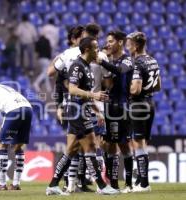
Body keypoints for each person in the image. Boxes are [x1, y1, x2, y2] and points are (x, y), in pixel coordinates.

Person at [46, 37, 119, 196]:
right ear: (87, 49)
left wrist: (96, 109)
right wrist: (94, 95)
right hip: (76, 111)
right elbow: (72, 89)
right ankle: (101, 186)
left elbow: (85, 95)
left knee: (72, 150)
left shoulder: (87, 66)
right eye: (95, 48)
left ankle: (52, 185)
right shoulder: (77, 66)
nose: (98, 50)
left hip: (83, 109)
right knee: (90, 146)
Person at [96, 30, 134, 192]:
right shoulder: (110, 60)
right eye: (107, 41)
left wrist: (102, 62)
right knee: (109, 144)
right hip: (109, 107)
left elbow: (120, 71)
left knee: (124, 145)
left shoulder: (127, 60)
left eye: (111, 41)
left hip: (122, 107)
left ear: (120, 42)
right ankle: (113, 184)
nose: (108, 44)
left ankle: (130, 184)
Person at [127, 32, 161, 192]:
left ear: (136, 46)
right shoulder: (153, 60)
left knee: (138, 143)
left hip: (138, 105)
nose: (127, 46)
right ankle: (140, 180)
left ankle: (144, 184)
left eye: (129, 43)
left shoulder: (138, 63)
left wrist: (126, 89)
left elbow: (136, 89)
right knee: (143, 143)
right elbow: (158, 85)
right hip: (150, 103)